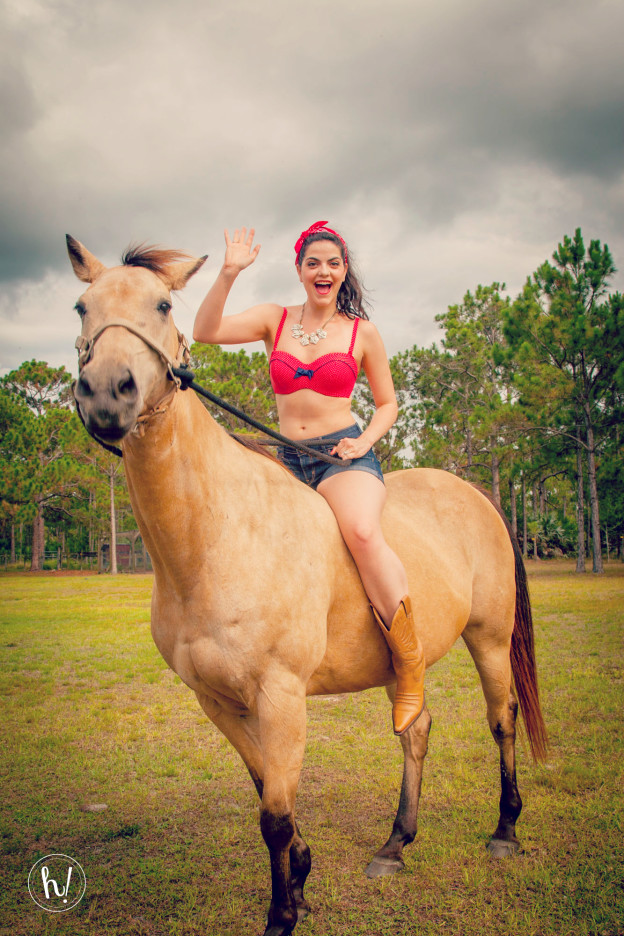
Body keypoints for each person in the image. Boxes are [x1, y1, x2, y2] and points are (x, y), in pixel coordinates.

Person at [192, 221, 425, 734]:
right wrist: (228, 273)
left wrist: (365, 443)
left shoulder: (362, 332)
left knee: (363, 534)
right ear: (300, 270)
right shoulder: (273, 319)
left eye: (333, 263)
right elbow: (205, 331)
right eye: (313, 262)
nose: (324, 271)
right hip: (284, 456)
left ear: (344, 273)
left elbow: (387, 403)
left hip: (341, 454)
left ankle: (409, 667)